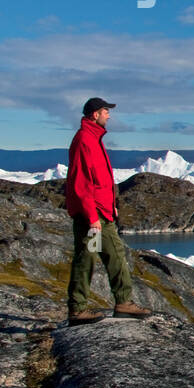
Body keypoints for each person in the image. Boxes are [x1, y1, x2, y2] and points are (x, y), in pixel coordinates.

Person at [64, 97, 151, 324]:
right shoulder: (85, 139)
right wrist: (92, 216)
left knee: (116, 257)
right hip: (91, 216)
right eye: (105, 111)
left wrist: (110, 203)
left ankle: (123, 303)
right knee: (86, 260)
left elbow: (99, 178)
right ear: (95, 114)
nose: (109, 115)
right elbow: (81, 182)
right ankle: (77, 309)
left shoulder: (94, 138)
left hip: (103, 212)